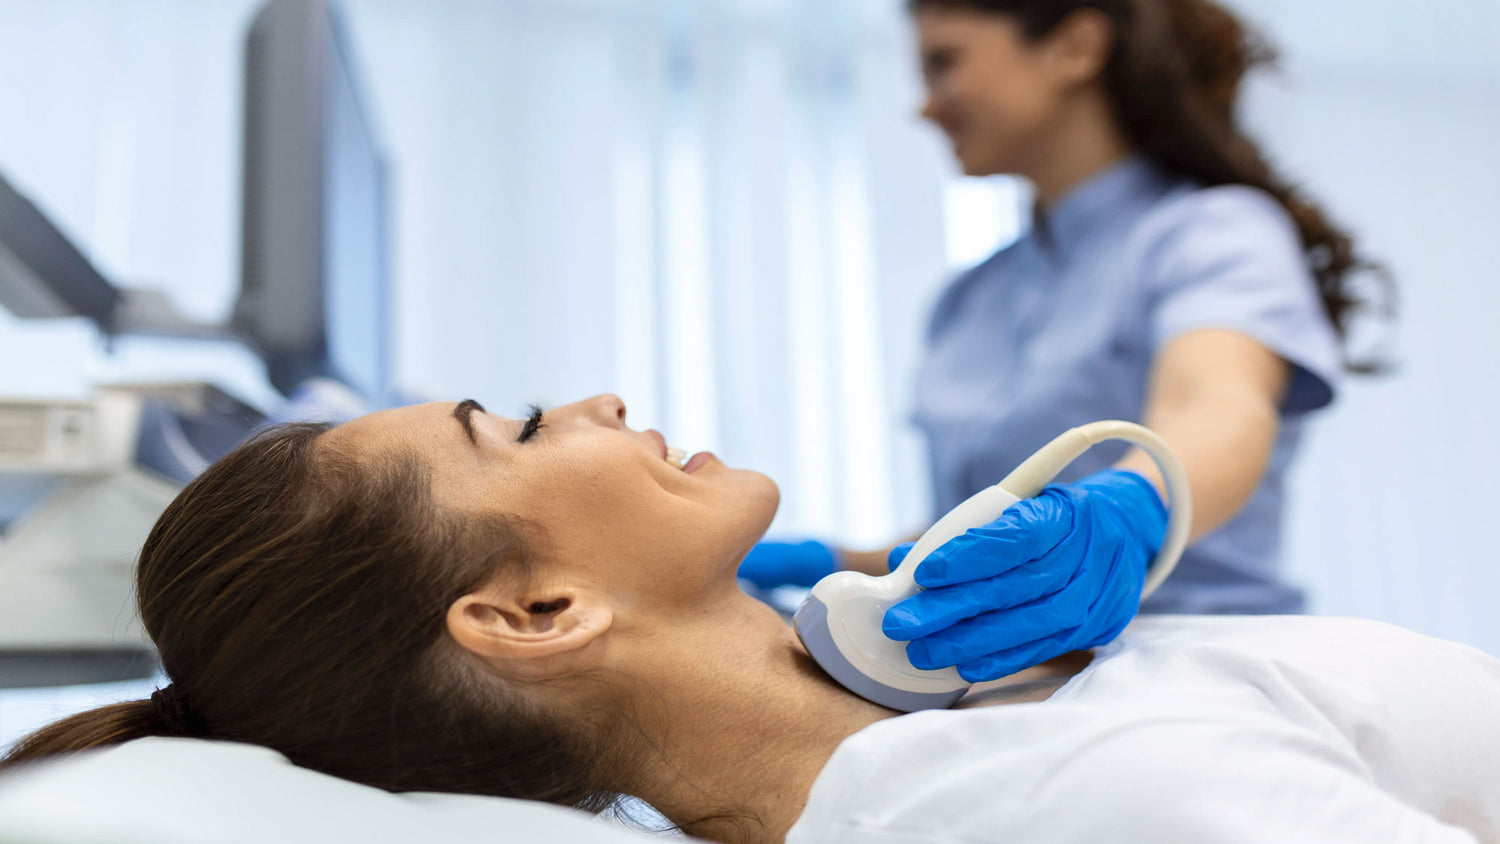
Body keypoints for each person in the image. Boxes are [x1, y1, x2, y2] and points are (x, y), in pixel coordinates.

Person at [2, 396, 1494, 843]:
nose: (595, 398)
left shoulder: (942, 692)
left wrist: (1135, 499)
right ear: (537, 612)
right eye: (519, 425)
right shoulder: (1044, 798)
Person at [740, 0, 1391, 682]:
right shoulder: (969, 298)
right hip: (1006, 690)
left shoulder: (1214, 233)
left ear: (1075, 47)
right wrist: (833, 563)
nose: (924, 108)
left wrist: (1134, 505)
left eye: (944, 63)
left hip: (1202, 671)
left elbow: (1218, 407)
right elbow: (987, 546)